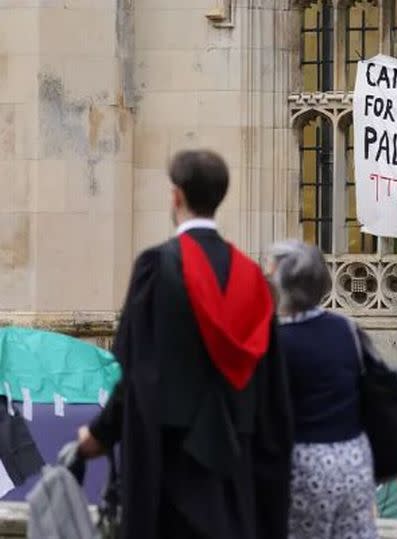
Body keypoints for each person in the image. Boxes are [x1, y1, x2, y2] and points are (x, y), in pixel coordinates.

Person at [76, 150, 294, 539]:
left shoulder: (157, 268)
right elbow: (272, 392)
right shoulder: (254, 280)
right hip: (234, 467)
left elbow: (137, 372)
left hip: (167, 467)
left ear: (176, 196)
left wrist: (101, 434)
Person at [267, 240, 378, 539]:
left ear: (282, 285)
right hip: (354, 460)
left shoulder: (277, 341)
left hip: (306, 466)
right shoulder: (347, 329)